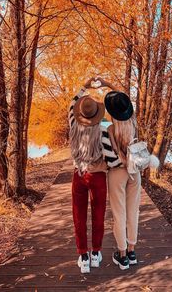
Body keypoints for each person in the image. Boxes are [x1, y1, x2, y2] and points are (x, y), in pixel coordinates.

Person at [68, 77, 121, 273]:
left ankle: (83, 256)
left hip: (79, 175)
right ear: (97, 114)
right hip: (98, 177)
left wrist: (86, 85)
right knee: (98, 215)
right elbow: (111, 159)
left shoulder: (73, 124)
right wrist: (108, 85)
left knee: (78, 216)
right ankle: (96, 254)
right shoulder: (102, 130)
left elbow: (72, 104)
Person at [103, 91, 142, 270]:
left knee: (119, 215)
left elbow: (109, 159)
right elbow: (123, 100)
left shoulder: (109, 130)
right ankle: (132, 251)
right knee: (133, 212)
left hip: (117, 173)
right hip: (135, 171)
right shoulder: (133, 124)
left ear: (112, 113)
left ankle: (123, 255)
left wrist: (120, 161)